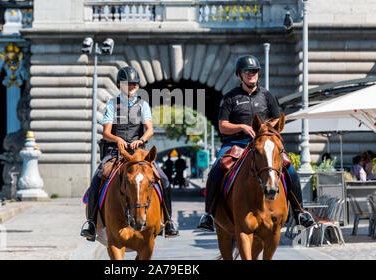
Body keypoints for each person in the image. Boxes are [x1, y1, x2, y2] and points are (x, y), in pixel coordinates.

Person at [197, 55, 315, 232]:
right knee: (217, 168)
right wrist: (242, 127)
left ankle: (300, 212)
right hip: (237, 143)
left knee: (289, 168)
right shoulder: (230, 98)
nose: (251, 74)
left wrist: (266, 129)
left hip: (264, 143)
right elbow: (223, 126)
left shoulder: (267, 96)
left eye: (254, 71)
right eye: (247, 71)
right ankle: (209, 214)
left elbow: (277, 118)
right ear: (239, 75)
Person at [80, 66, 179, 241]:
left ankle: (169, 221)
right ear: (120, 85)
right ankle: (92, 223)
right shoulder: (112, 105)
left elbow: (149, 129)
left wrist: (140, 140)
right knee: (97, 178)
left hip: (138, 152)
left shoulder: (143, 105)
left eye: (134, 83)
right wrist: (117, 140)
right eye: (127, 83)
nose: (131, 86)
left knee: (163, 179)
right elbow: (106, 133)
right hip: (115, 152)